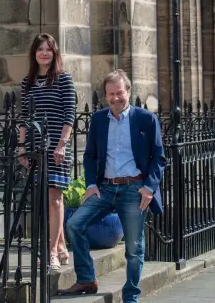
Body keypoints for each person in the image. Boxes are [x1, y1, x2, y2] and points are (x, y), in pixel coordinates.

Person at [58, 69, 166, 302]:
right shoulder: (98, 119)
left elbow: (159, 158)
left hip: (134, 189)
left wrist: (149, 187)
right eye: (110, 94)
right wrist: (90, 184)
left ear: (128, 91)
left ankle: (130, 296)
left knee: (134, 249)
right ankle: (87, 278)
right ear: (105, 96)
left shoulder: (146, 119)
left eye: (119, 93)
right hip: (104, 188)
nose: (116, 98)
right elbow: (90, 156)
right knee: (75, 224)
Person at [18, 33, 76, 270]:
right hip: (35, 147)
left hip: (56, 148)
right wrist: (21, 146)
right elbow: (23, 116)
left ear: (55, 53)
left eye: (48, 49)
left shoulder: (64, 79)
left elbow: (69, 115)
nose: (44, 53)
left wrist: (62, 144)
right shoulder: (27, 82)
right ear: (34, 54)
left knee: (55, 199)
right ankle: (61, 246)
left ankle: (51, 252)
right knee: (45, 199)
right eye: (40, 49)